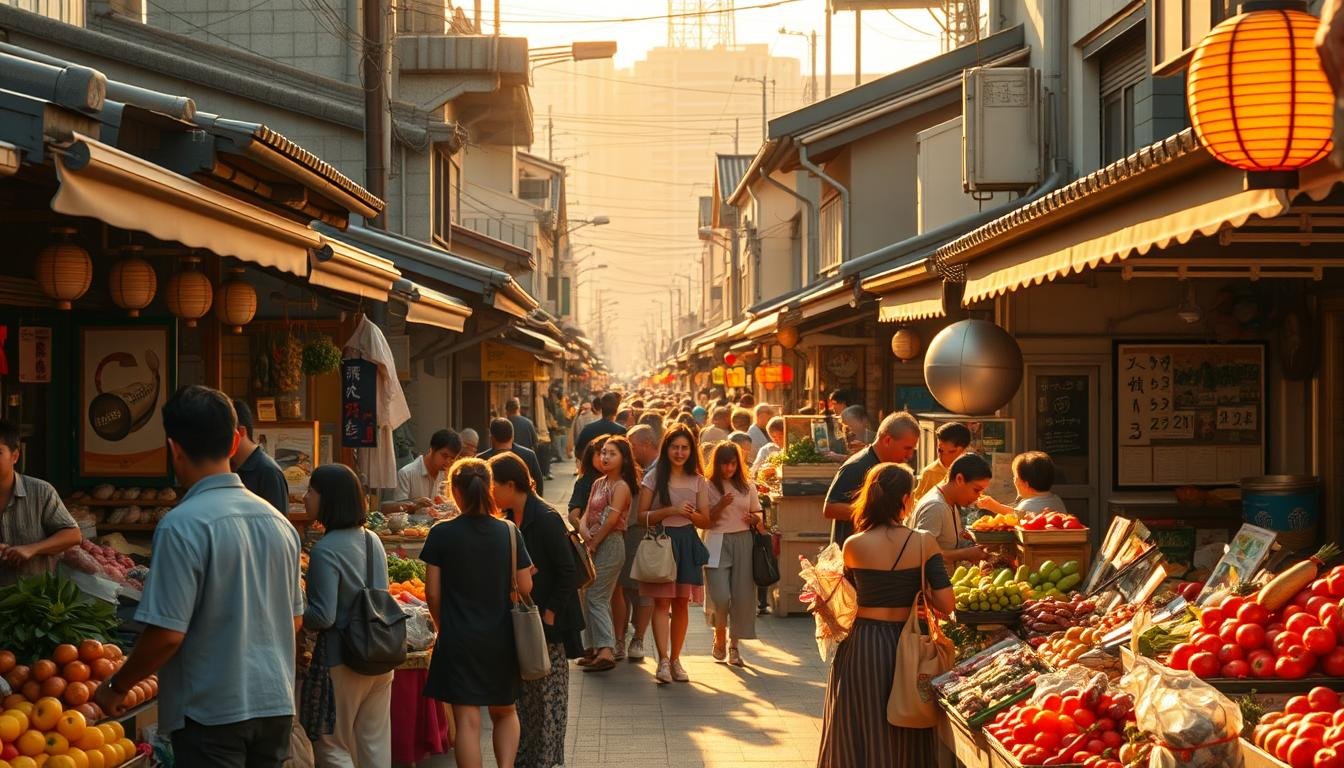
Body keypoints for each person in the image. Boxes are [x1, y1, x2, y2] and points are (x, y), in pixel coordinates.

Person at [93, 386, 302, 766]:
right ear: (236, 439)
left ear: (173, 447)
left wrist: (117, 686)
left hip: (211, 713)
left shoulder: (181, 525)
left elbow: (168, 634)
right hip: (275, 705)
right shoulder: (279, 524)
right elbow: (295, 619)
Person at [817, 463, 954, 766]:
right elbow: (947, 603)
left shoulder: (853, 544)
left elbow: (847, 602)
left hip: (863, 643)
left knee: (861, 726)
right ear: (906, 498)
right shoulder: (923, 541)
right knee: (906, 720)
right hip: (907, 644)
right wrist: (923, 594)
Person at [420, 459, 533, 768]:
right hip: (500, 637)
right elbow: (525, 585)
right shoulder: (508, 532)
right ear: (490, 487)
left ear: (455, 491)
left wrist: (445, 624)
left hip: (458, 638)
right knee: (505, 711)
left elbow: (431, 592)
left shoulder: (441, 533)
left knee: (467, 721)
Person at [487, 453, 582, 768]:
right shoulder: (512, 517)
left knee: (545, 697)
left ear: (511, 485)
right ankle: (527, 758)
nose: (491, 492)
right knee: (526, 699)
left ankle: (543, 759)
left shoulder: (544, 517)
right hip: (524, 619)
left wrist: (552, 611)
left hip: (545, 621)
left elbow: (568, 570)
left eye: (494, 486)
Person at [300, 464, 393, 767]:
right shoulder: (372, 540)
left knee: (333, 745)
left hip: (343, 661)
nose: (305, 498)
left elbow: (323, 617)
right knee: (374, 745)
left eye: (311, 491)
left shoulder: (325, 549)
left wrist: (297, 605)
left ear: (329, 498)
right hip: (380, 656)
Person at [636, 424, 711, 684]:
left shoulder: (698, 479)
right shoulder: (654, 476)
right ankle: (663, 661)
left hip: (687, 542)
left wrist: (690, 514)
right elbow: (641, 516)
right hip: (662, 542)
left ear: (692, 451)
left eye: (685, 448)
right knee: (662, 602)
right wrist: (670, 510)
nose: (679, 452)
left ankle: (676, 659)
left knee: (681, 603)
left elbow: (705, 521)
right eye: (675, 447)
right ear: (666, 448)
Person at [579, 436, 638, 672]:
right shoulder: (598, 483)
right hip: (593, 542)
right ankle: (593, 648)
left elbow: (612, 519)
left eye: (612, 453)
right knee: (587, 593)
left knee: (597, 595)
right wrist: (584, 533)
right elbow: (585, 514)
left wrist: (594, 543)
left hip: (611, 544)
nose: (605, 457)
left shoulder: (622, 486)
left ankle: (606, 649)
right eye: (603, 452)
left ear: (624, 458)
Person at [703, 442, 763, 667]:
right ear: (716, 464)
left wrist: (754, 519)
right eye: (724, 464)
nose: (728, 468)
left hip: (743, 541)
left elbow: (759, 515)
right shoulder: (708, 486)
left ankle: (734, 646)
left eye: (732, 463)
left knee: (742, 596)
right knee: (720, 596)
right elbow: (705, 519)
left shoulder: (748, 486)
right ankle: (719, 633)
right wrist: (720, 504)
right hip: (716, 540)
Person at [0, 420, 79, 586]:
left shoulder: (41, 491)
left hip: (33, 599)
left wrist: (31, 549)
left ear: (15, 456)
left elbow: (73, 534)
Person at [823, 412, 921, 546]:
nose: (909, 456)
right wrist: (875, 510)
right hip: (854, 557)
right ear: (887, 440)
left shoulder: (894, 469)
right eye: (907, 448)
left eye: (913, 450)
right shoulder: (856, 466)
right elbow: (829, 509)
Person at [618, 425, 662, 662]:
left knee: (644, 589)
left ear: (645, 444)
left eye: (632, 445)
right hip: (633, 533)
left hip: (647, 534)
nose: (630, 450)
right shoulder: (640, 469)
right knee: (627, 586)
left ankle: (638, 638)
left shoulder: (657, 471)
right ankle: (627, 633)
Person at [913, 453, 992, 564]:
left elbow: (947, 545)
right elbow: (921, 554)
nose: (978, 496)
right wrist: (965, 554)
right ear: (959, 479)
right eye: (976, 490)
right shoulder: (935, 506)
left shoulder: (950, 503)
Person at [229, 400, 290, 514]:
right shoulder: (231, 467)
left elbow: (278, 524)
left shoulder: (269, 471)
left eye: (224, 432)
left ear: (241, 432)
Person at [388, 429, 461, 514]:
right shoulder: (406, 473)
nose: (448, 462)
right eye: (444, 456)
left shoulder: (448, 476)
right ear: (432, 449)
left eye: (452, 459)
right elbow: (397, 513)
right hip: (412, 527)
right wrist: (414, 505)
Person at [977, 451, 1070, 516]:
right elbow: (1016, 512)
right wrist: (994, 505)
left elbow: (1015, 516)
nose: (1014, 480)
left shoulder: (1028, 505)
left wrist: (994, 506)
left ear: (1026, 484)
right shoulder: (1056, 499)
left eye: (1016, 477)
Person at [477, 419, 545, 497]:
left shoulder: (481, 459)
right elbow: (539, 485)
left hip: (494, 507)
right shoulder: (528, 455)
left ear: (491, 437)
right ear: (512, 436)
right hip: (523, 507)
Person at [913, 422, 972, 502]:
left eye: (952, 452)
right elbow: (918, 503)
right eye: (940, 451)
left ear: (964, 450)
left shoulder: (972, 470)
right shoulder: (930, 473)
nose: (944, 456)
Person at [574, 392, 626, 460]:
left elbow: (578, 452)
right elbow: (625, 454)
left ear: (601, 409)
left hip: (591, 469)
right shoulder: (621, 430)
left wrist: (591, 462)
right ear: (616, 410)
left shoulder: (588, 428)